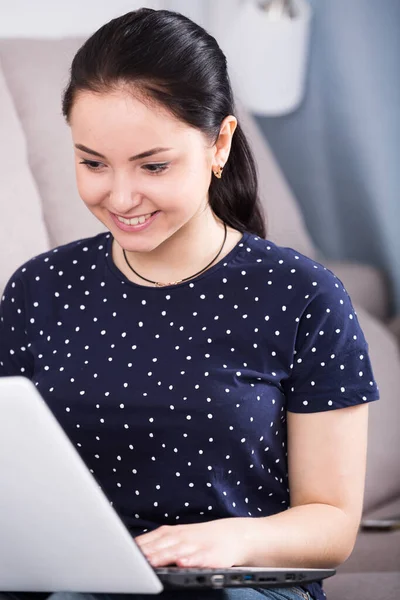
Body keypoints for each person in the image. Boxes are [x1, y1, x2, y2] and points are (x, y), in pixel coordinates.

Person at [0, 8, 379, 600]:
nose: (120, 197)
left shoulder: (303, 294)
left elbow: (331, 520)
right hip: (67, 581)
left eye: (154, 165)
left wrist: (233, 541)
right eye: (92, 162)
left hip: (236, 582)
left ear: (219, 144)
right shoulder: (39, 288)